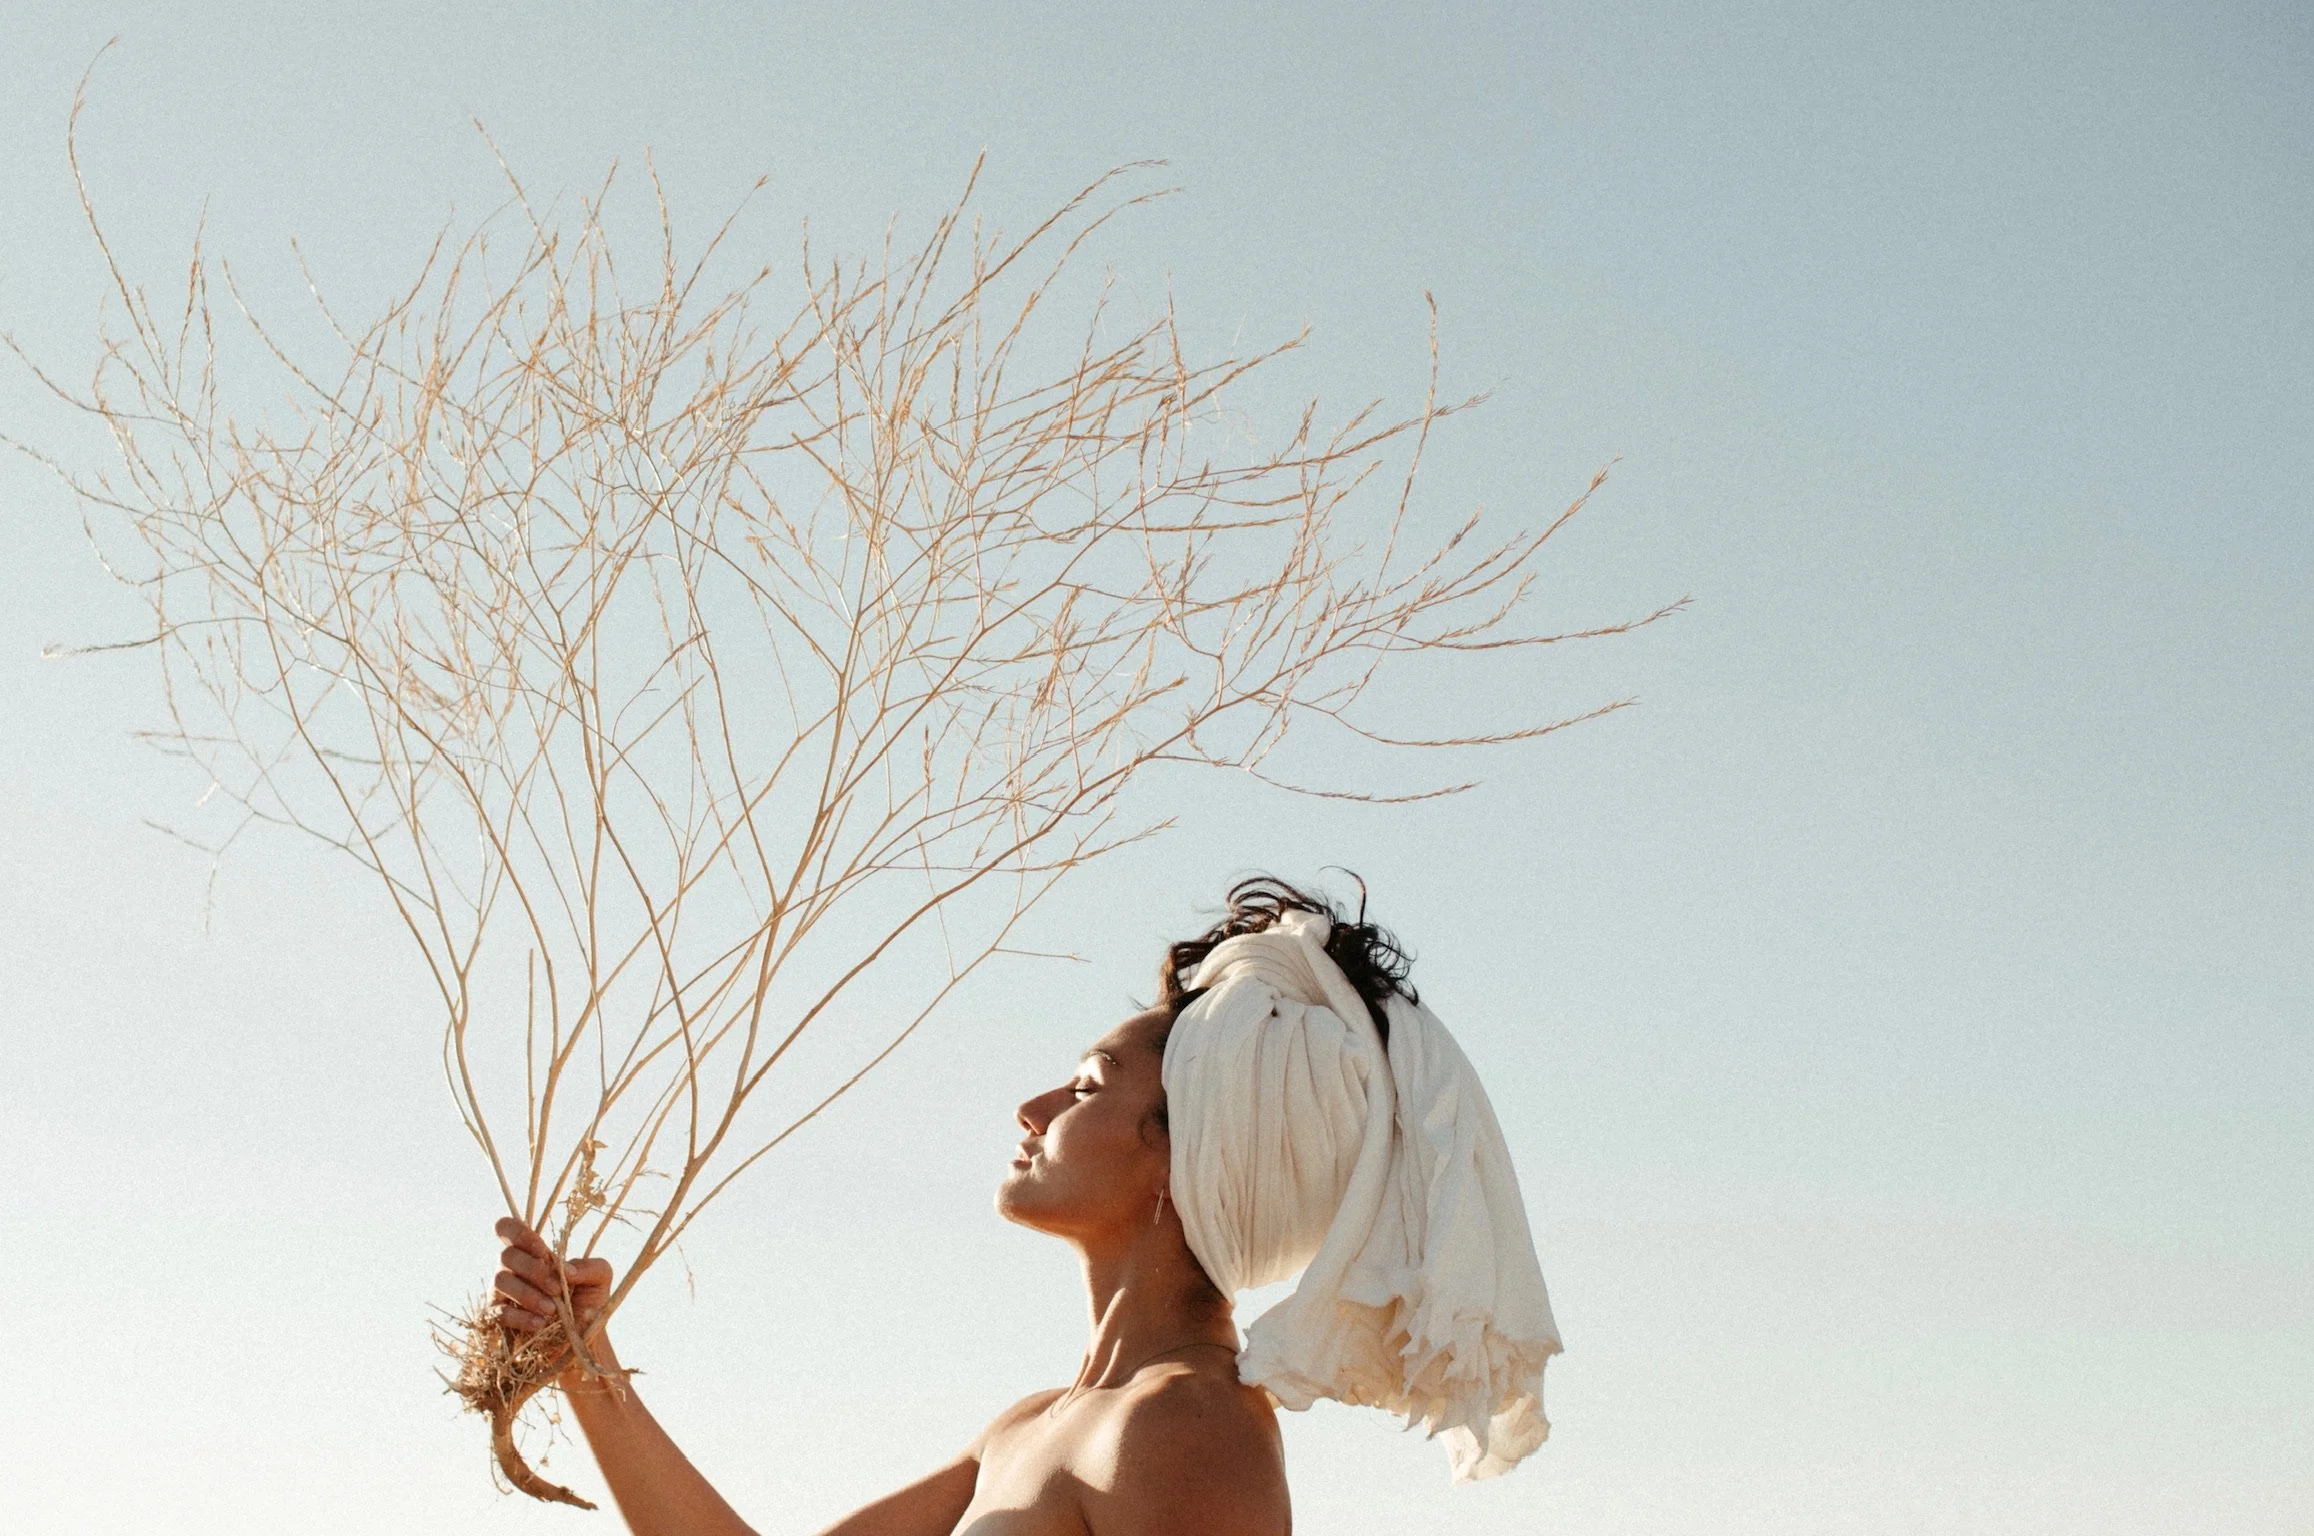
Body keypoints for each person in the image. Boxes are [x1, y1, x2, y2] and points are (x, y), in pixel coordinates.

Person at [491, 877, 1557, 1534]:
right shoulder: (1034, 1424)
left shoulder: (1189, 1426)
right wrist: (584, 1365)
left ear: (1183, 1162)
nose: (1035, 1105)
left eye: (1089, 1086)